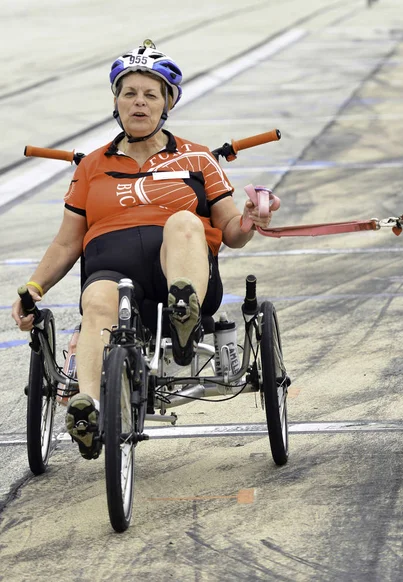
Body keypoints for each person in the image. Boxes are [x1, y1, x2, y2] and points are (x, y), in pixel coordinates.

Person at [11, 40, 277, 460]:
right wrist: (33, 287)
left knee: (185, 221)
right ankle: (91, 410)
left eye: (150, 94)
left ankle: (184, 311)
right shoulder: (91, 165)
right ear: (115, 102)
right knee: (97, 298)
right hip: (111, 274)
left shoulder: (198, 158)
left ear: (167, 103)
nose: (139, 103)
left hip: (178, 268)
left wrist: (249, 219)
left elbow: (230, 230)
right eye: (128, 93)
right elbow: (66, 241)